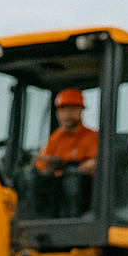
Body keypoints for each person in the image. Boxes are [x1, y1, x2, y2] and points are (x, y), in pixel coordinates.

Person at [24, 87, 98, 217]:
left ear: (81, 110)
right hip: (56, 191)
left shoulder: (92, 137)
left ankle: (74, 223)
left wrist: (72, 168)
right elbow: (41, 164)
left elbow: (94, 165)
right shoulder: (55, 138)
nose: (67, 114)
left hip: (81, 192)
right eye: (63, 109)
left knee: (73, 180)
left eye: (72, 109)